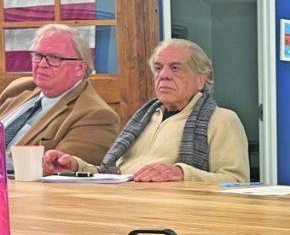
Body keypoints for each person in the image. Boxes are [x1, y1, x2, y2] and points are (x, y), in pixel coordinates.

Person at [43, 39, 248, 183]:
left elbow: (236, 181)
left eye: (175, 68)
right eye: (158, 68)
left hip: (174, 212)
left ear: (200, 79)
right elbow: (116, 174)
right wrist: (76, 167)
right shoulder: (144, 117)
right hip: (125, 203)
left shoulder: (222, 120)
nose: (164, 75)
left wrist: (182, 174)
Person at [0, 24, 118, 167]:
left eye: (54, 58)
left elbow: (56, 168)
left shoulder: (97, 116)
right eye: (38, 55)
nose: (42, 64)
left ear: (80, 68)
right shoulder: (19, 88)